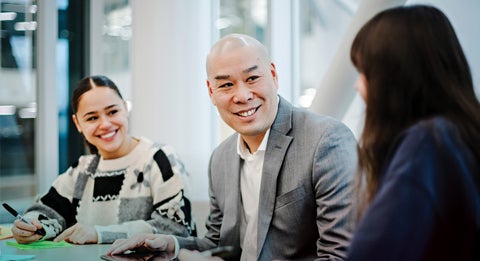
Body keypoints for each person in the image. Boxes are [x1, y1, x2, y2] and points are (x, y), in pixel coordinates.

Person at [107, 34, 358, 260]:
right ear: (211, 91)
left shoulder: (326, 140)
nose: (242, 95)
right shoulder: (221, 158)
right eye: (226, 85)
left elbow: (340, 255)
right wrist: (169, 245)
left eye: (252, 78)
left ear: (273, 75)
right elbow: (217, 244)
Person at [346, 5, 480, 261]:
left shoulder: (428, 144)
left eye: (364, 73)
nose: (358, 85)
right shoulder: (462, 134)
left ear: (393, 76)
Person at [11, 75, 196, 245]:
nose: (105, 124)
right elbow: (47, 211)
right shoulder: (81, 170)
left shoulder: (160, 159)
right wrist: (32, 226)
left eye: (112, 112)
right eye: (92, 118)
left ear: (125, 108)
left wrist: (100, 234)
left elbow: (176, 227)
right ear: (78, 124)